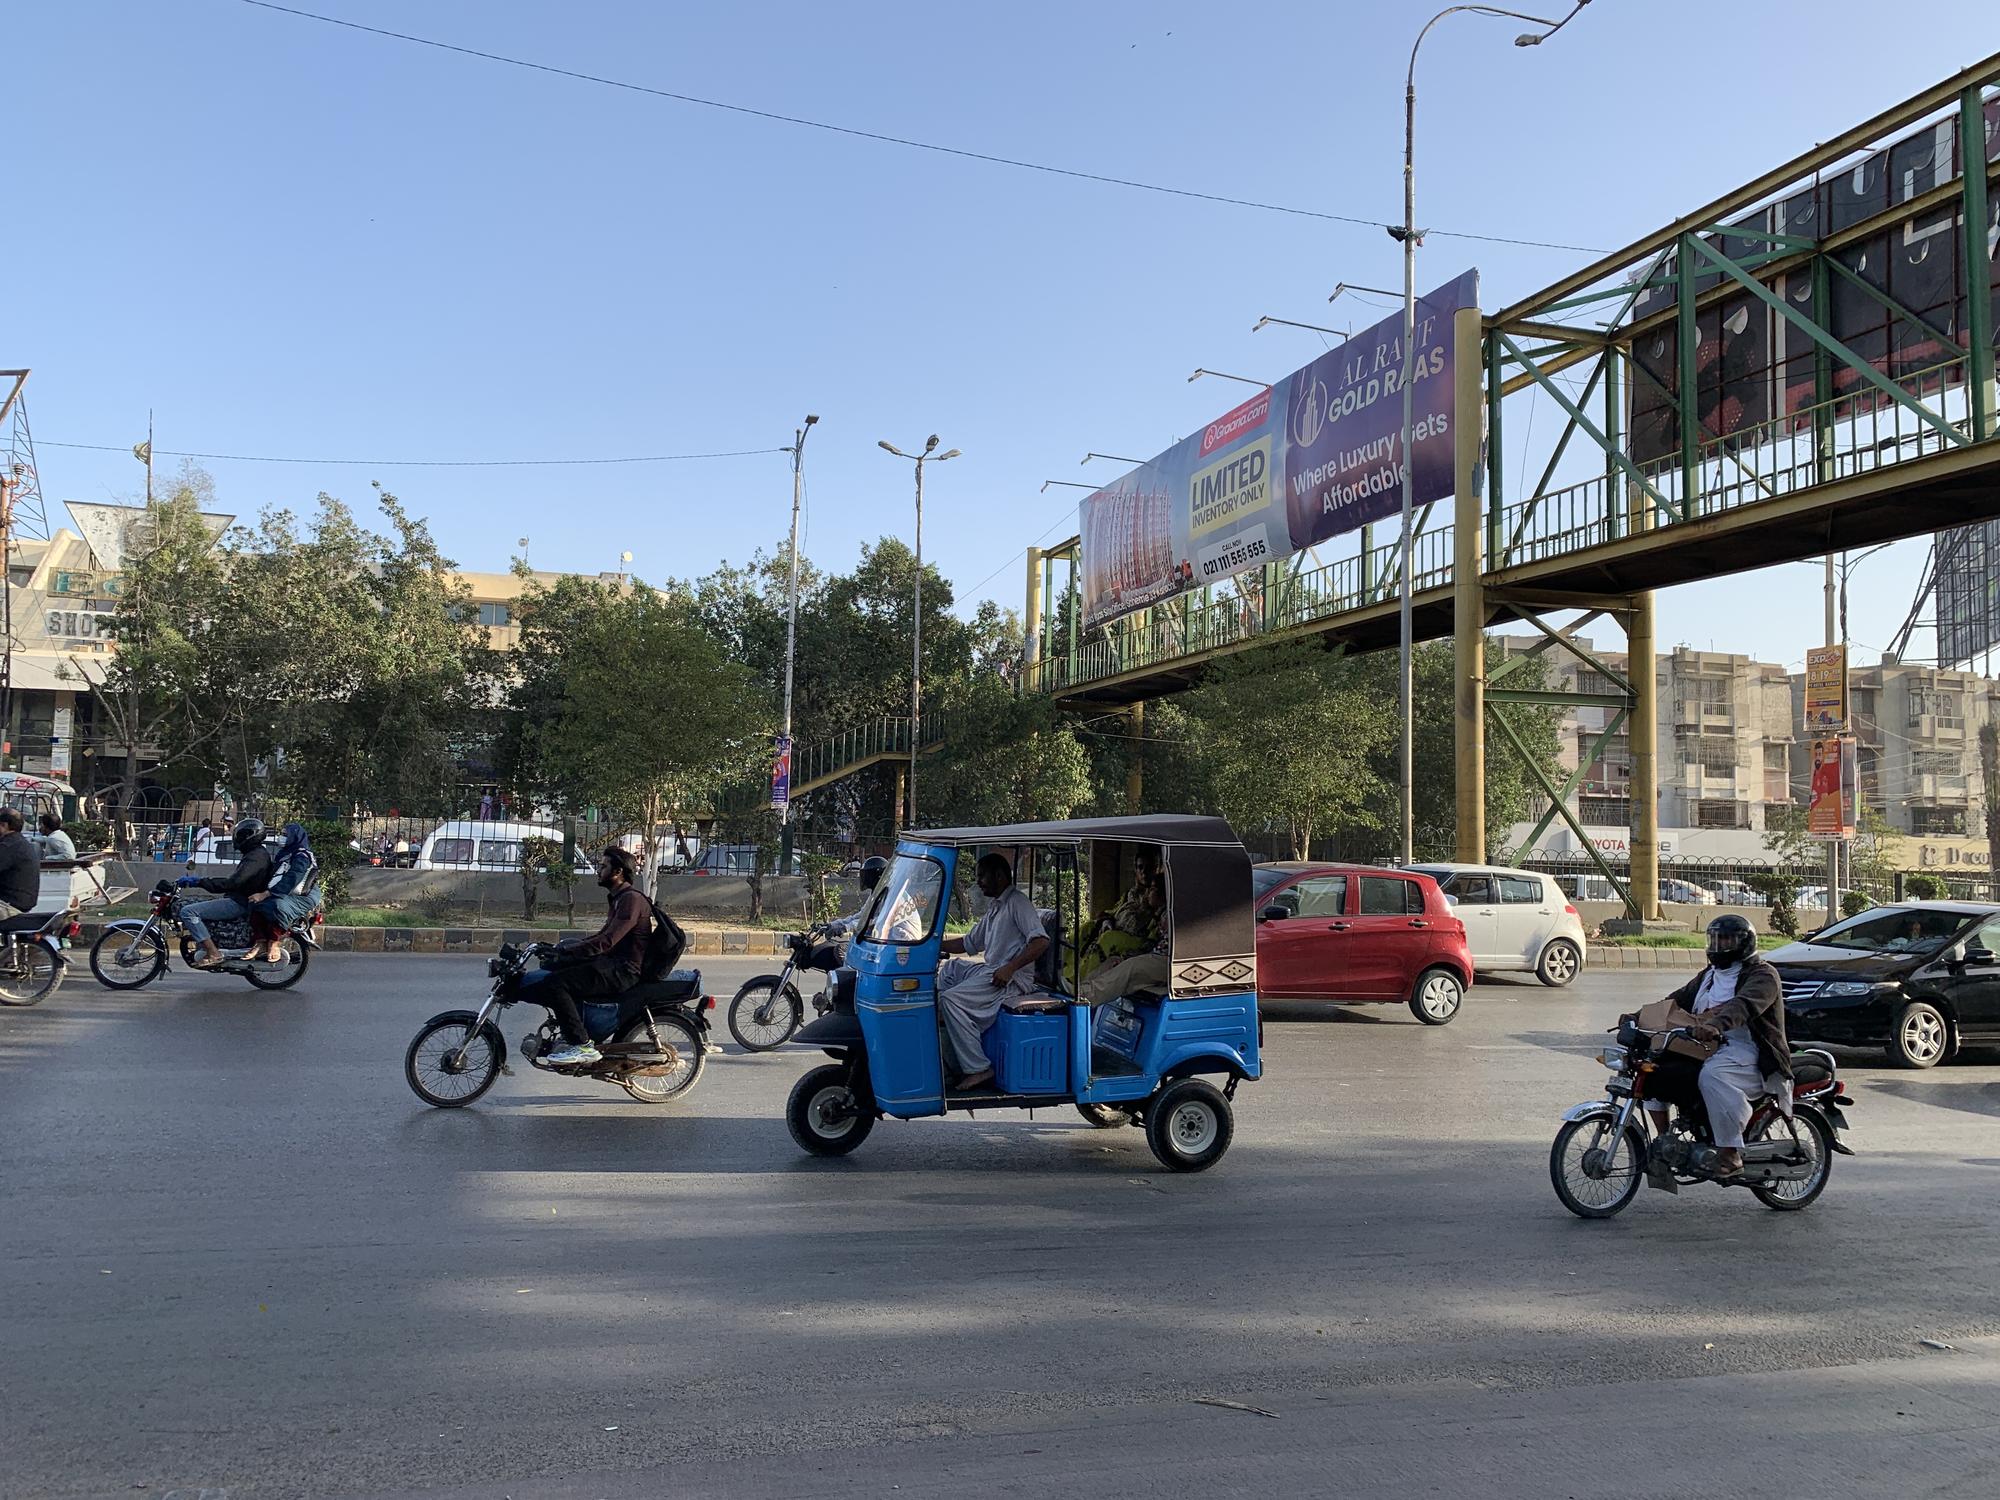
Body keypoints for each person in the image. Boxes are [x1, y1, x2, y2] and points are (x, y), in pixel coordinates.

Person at [1646, 914, 1791, 1181]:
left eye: (1725, 940)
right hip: (1708, 1046)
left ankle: (1730, 1152)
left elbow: (1744, 1005)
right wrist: (1638, 1017)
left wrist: (1716, 1025)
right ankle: (1665, 1141)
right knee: (1653, 1068)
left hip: (1750, 1051)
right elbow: (1676, 1001)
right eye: (1714, 939)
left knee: (1713, 1076)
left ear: (1744, 943)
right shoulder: (1710, 976)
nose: (1718, 946)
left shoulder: (1763, 975)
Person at [521, 846, 652, 1067]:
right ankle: (570, 1029)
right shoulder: (619, 898)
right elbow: (601, 936)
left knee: (556, 984)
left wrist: (567, 951)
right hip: (612, 964)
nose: (599, 871)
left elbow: (607, 941)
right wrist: (562, 949)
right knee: (558, 971)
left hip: (623, 970)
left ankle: (580, 1043)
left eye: (603, 866)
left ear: (618, 871)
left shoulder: (631, 900)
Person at [936, 853, 1048, 1091]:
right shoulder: (997, 906)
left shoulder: (1017, 902)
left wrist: (1010, 968)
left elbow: (1040, 941)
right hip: (991, 970)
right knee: (951, 970)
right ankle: (952, 1029)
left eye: (982, 876)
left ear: (999, 875)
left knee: (951, 999)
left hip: (1010, 980)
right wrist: (930, 944)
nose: (979, 881)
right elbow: (968, 943)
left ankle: (978, 1068)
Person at [181, 818, 274, 968]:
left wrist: (199, 882)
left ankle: (213, 953)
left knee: (188, 912)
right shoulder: (255, 854)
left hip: (240, 902)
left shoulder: (256, 857)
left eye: (239, 836)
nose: (236, 839)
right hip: (239, 898)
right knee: (196, 903)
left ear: (249, 837)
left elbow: (233, 883)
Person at [1081, 876, 1169, 1004]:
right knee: (1114, 961)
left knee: (1132, 967)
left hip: (1169, 961)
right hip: (1156, 956)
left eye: (1153, 889)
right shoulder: (1154, 912)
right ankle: (1081, 987)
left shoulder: (1169, 915)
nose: (1148, 892)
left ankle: (1088, 996)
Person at [246, 823, 320, 962]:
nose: (281, 837)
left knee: (278, 906)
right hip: (285, 893)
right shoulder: (285, 854)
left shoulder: (302, 856)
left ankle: (274, 942)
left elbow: (292, 878)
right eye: (282, 834)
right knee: (254, 905)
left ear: (295, 837)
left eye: (286, 835)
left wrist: (266, 894)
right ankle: (261, 941)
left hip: (304, 895)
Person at [826, 856, 888, 940]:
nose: (864, 879)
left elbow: (877, 920)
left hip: (886, 940)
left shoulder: (888, 896)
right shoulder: (875, 894)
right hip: (871, 938)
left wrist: (846, 927)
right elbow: (862, 915)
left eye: (867, 876)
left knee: (840, 949)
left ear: (877, 876)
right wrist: (835, 924)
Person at [0, 808, 41, 920]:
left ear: (4, 825)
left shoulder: (8, 846)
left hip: (7, 905)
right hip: (19, 903)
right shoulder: (19, 842)